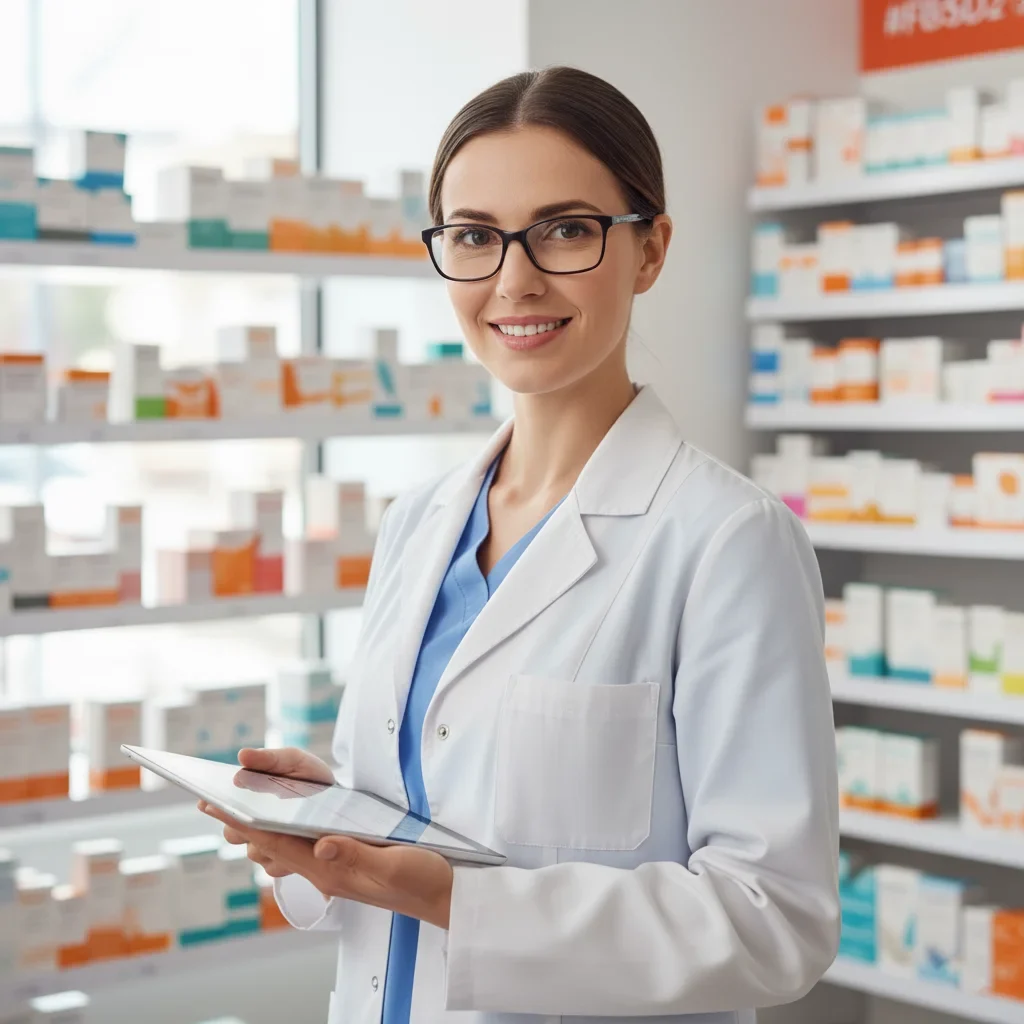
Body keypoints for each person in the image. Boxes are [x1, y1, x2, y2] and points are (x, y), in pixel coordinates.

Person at [200, 65, 840, 1024]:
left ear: (651, 248)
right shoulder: (419, 523)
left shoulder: (726, 542)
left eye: (567, 230)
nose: (514, 279)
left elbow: (773, 921)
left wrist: (442, 896)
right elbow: (437, 807)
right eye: (473, 237)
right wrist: (332, 822)